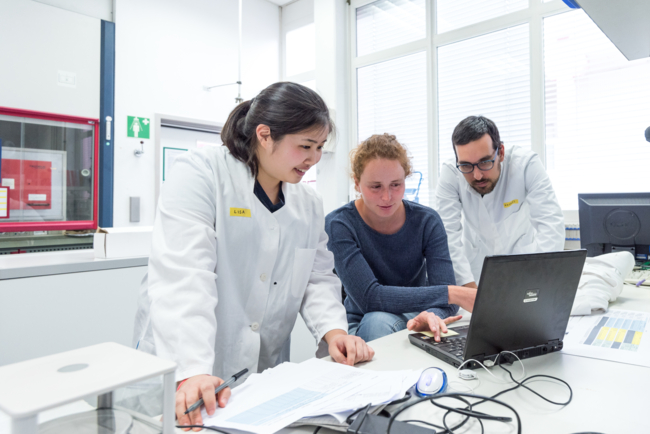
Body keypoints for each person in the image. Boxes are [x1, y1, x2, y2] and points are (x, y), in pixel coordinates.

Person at [132, 82, 375, 430]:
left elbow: (317, 278)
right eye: (305, 146)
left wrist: (335, 333)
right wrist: (192, 370)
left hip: (261, 373)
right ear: (264, 135)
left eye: (320, 147)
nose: (315, 158)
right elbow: (184, 275)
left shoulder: (306, 203)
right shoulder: (200, 174)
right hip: (186, 367)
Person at [325, 133, 477, 343]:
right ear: (357, 183)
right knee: (376, 321)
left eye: (396, 185)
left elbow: (447, 303)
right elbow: (370, 299)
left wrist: (432, 315)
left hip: (417, 315)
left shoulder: (427, 221)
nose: (387, 197)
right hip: (363, 321)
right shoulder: (339, 224)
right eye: (375, 186)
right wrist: (451, 293)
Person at [435, 115, 565, 288]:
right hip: (475, 273)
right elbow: (447, 236)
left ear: (501, 152)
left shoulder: (526, 165)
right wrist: (469, 288)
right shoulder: (451, 173)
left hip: (527, 270)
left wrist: (537, 284)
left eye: (485, 162)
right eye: (466, 166)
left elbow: (551, 226)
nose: (477, 175)